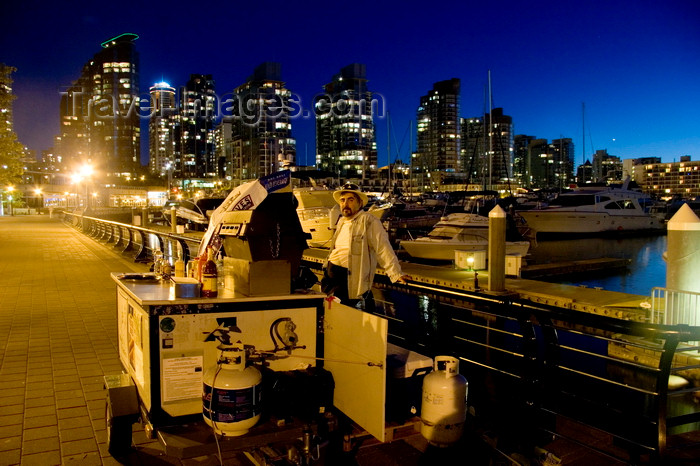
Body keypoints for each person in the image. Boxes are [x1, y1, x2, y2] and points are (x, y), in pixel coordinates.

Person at [321, 183, 409, 311]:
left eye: (351, 200)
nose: (345, 204)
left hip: (349, 280)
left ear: (360, 203)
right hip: (331, 275)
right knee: (329, 313)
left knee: (343, 314)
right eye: (342, 200)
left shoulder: (369, 221)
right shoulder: (341, 221)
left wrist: (395, 273)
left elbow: (382, 247)